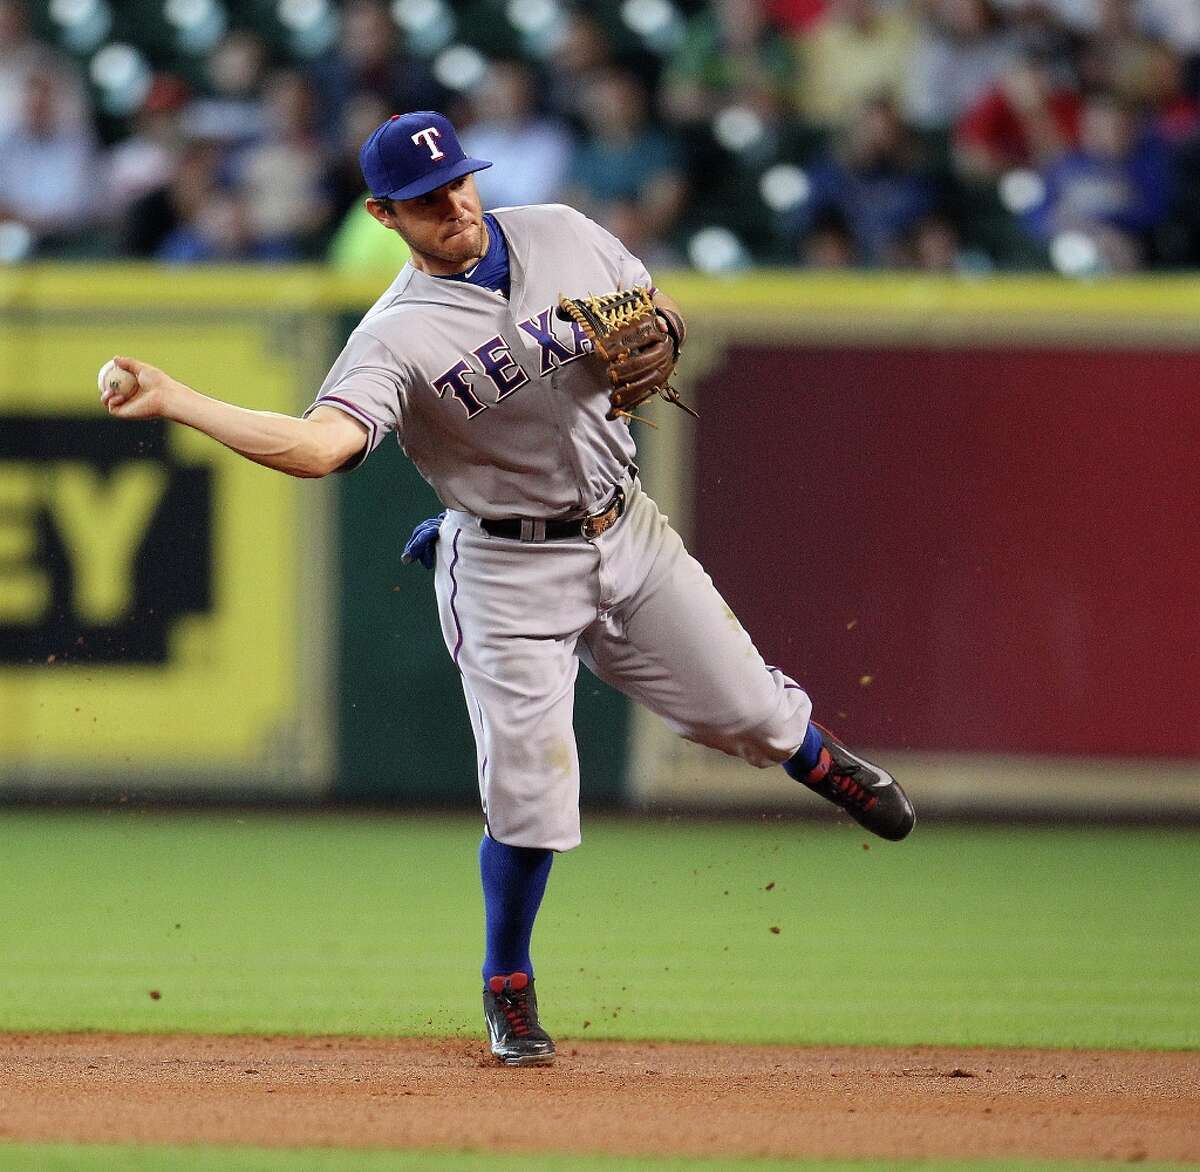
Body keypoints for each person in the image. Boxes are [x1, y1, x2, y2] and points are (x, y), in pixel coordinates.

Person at [100, 110, 915, 1068]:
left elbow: (656, 311)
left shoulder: (565, 231)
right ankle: (508, 983)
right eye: (424, 199)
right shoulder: (394, 335)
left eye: (459, 181)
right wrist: (178, 399)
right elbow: (321, 449)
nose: (452, 204)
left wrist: (666, 330)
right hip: (504, 568)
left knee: (751, 716)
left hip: (628, 528)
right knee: (532, 791)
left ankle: (821, 759)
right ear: (384, 214)